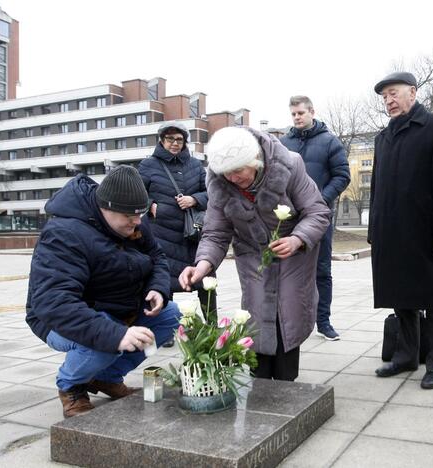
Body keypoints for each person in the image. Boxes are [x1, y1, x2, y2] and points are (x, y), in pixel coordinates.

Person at [25, 165, 180, 418]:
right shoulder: (63, 234)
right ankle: (71, 386)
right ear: (105, 208)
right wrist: (115, 334)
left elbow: (157, 256)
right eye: (130, 216)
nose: (138, 221)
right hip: (58, 320)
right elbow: (54, 302)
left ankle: (105, 378)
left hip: (117, 309)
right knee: (103, 339)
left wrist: (157, 289)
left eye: (140, 214)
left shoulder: (132, 219)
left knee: (169, 315)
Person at [179, 126, 330, 381]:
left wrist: (296, 239)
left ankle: (286, 383)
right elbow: (215, 232)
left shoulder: (290, 165)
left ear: (256, 161)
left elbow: (317, 212)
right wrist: (202, 265)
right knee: (256, 315)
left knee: (288, 314)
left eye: (238, 170)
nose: (233, 179)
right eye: (226, 173)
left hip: (291, 254)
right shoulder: (218, 182)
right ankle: (259, 385)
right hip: (252, 255)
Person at [369, 72, 433, 390]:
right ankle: (405, 356)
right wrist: (374, 230)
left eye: (394, 93)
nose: (389, 101)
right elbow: (377, 187)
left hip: (426, 231)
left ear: (413, 93)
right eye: (385, 97)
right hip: (391, 231)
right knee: (401, 299)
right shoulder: (383, 138)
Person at [280, 96, 350, 341]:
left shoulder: (330, 141)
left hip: (318, 218)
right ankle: (291, 321)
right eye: (293, 114)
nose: (297, 117)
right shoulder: (283, 143)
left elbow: (342, 176)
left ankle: (323, 321)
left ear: (312, 112)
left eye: (301, 113)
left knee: (321, 270)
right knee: (286, 271)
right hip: (288, 218)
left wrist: (320, 200)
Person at [138, 122, 208, 346]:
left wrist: (195, 199)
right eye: (170, 139)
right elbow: (137, 193)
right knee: (164, 280)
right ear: (161, 141)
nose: (175, 143)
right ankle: (166, 329)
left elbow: (211, 192)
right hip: (161, 233)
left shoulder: (196, 165)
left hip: (192, 233)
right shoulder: (148, 165)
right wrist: (151, 206)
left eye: (179, 139)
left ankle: (212, 323)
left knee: (205, 280)